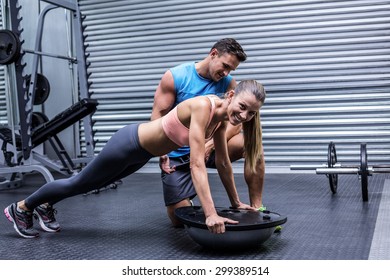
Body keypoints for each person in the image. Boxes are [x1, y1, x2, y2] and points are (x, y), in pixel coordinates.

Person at [4, 80, 266, 239]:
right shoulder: (203, 107)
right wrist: (210, 214)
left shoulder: (220, 122)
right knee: (79, 182)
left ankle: (43, 206)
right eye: (242, 107)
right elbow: (197, 163)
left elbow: (221, 163)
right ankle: (23, 207)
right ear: (230, 96)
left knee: (88, 184)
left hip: (142, 154)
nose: (244, 116)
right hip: (128, 143)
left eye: (251, 114)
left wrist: (236, 202)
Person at [151, 38, 266, 227]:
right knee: (178, 218)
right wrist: (161, 151)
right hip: (179, 154)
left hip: (211, 147)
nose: (227, 73)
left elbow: (235, 121)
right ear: (213, 54)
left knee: (253, 147)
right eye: (225, 66)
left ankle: (257, 209)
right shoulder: (177, 77)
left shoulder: (228, 83)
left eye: (231, 70)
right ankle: (191, 195)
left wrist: (210, 144)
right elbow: (158, 115)